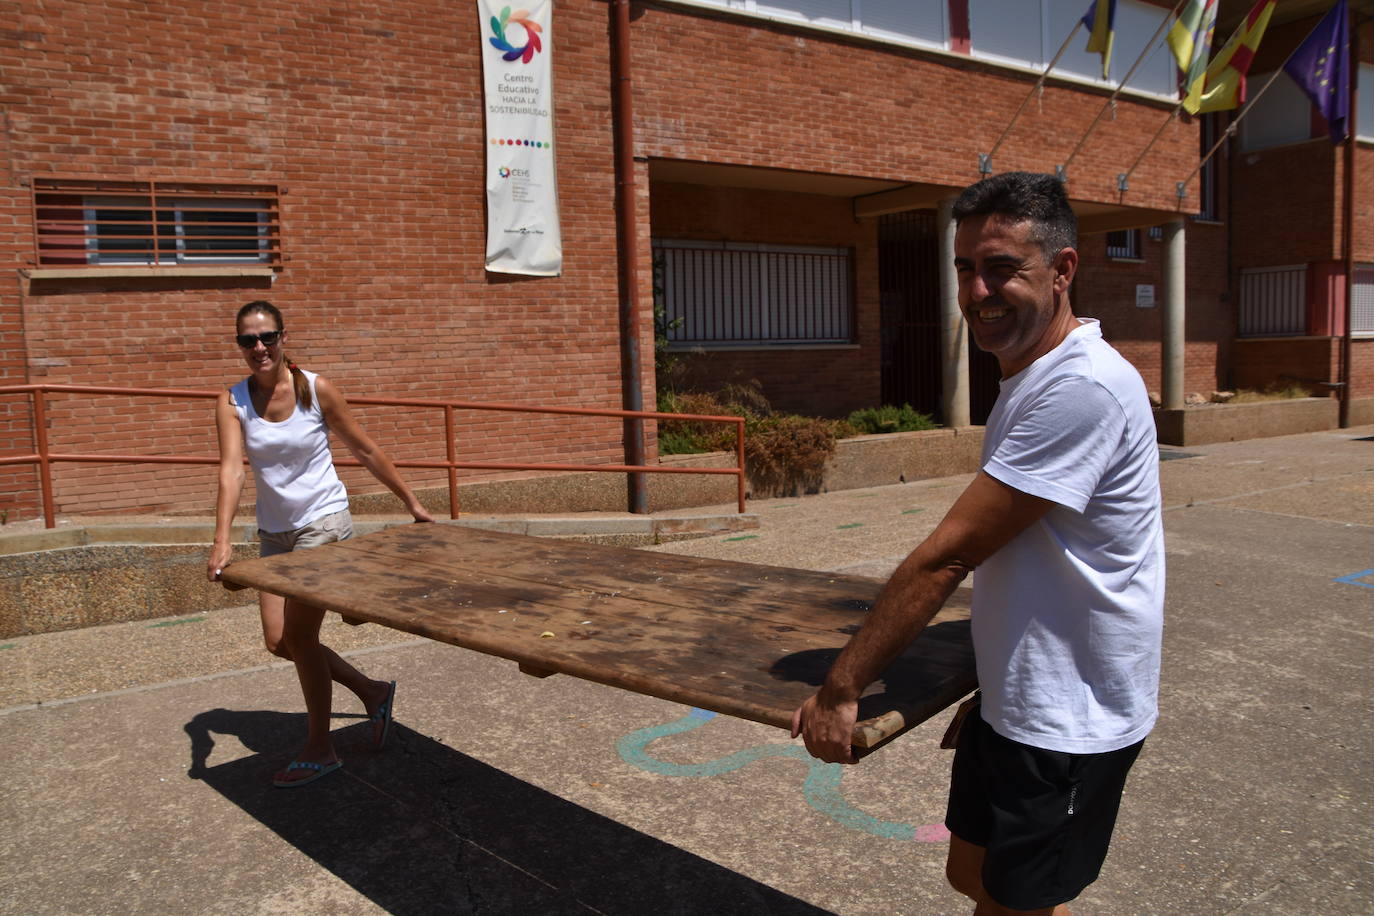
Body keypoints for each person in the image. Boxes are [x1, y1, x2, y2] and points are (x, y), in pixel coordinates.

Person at [791, 172, 1164, 915]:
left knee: (1014, 903)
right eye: (966, 268)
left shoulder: (1080, 388)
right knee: (973, 876)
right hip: (1023, 695)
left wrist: (842, 688)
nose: (979, 291)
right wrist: (994, 678)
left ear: (1062, 272)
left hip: (1070, 719)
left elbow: (949, 556)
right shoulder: (1033, 375)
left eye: (1002, 269)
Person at [207, 300, 434, 787]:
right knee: (279, 640)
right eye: (248, 340)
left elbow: (365, 448)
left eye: (267, 337)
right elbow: (231, 470)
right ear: (240, 346)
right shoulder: (232, 401)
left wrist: (411, 502)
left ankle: (319, 747)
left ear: (284, 337)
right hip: (275, 532)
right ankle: (371, 691)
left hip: (323, 525)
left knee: (302, 637)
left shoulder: (316, 389)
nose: (259, 348)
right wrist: (222, 539)